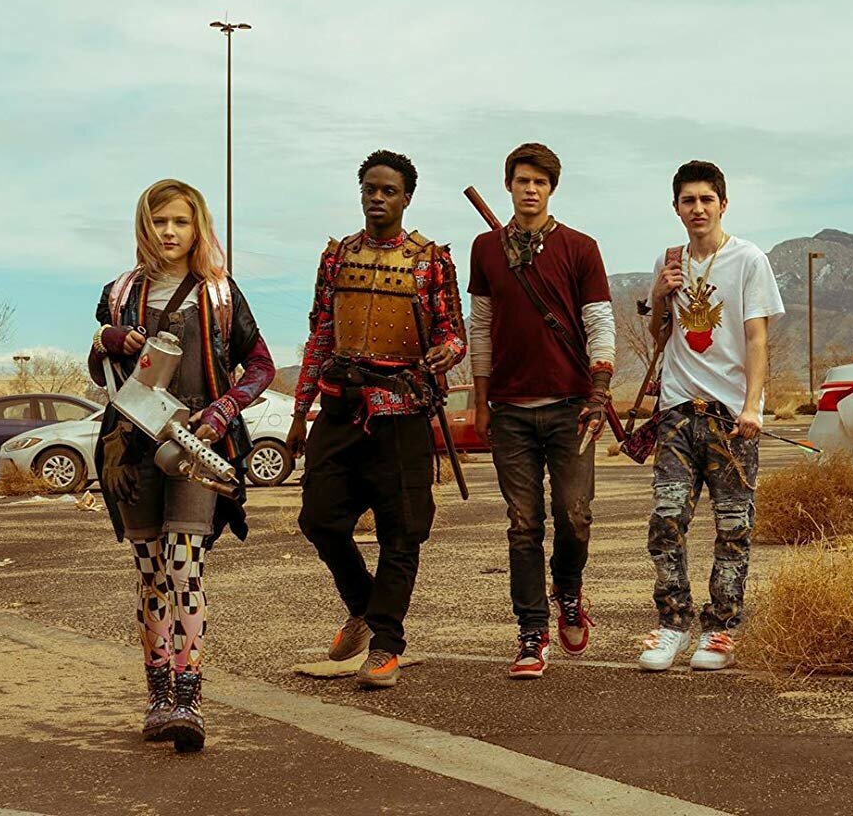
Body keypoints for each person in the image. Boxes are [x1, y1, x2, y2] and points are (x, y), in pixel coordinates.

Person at [88, 178, 275, 750]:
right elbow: (101, 373)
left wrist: (222, 411)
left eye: (180, 221)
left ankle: (189, 700)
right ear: (144, 226)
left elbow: (261, 366)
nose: (169, 232)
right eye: (159, 221)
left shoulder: (220, 293)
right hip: (130, 449)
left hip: (197, 447)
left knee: (184, 569)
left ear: (198, 228)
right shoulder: (119, 293)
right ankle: (158, 698)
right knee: (150, 573)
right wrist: (108, 340)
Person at [286, 150, 465, 689]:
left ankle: (385, 644)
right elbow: (321, 333)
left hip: (402, 412)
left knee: (401, 532)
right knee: (319, 519)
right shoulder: (336, 258)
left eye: (389, 190)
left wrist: (444, 354)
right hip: (340, 406)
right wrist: (299, 412)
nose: (378, 198)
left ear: (407, 197)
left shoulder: (431, 261)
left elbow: (452, 333)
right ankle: (363, 607)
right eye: (370, 188)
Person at [467, 143, 615, 679]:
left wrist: (599, 392)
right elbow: (480, 327)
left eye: (540, 182)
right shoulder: (486, 249)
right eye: (522, 180)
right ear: (508, 185)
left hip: (572, 406)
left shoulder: (580, 248)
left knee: (575, 515)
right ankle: (532, 631)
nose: (530, 190)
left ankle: (568, 590)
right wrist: (481, 400)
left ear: (552, 189)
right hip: (510, 409)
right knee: (523, 523)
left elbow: (599, 321)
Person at [637, 160, 783, 673]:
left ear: (723, 203)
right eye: (688, 201)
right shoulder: (669, 260)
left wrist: (753, 406)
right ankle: (673, 624)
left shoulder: (748, 260)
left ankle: (720, 629)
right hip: (678, 410)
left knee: (733, 527)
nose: (697, 209)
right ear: (676, 208)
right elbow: (660, 336)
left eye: (706, 199)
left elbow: (758, 339)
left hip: (730, 417)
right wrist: (658, 295)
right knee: (666, 520)